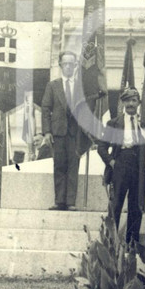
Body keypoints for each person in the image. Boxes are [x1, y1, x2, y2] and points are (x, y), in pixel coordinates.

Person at [97, 87, 145, 244]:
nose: (130, 104)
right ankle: (110, 244)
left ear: (138, 103)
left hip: (138, 166)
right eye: (127, 100)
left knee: (136, 205)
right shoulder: (114, 123)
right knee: (116, 205)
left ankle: (131, 245)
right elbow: (102, 147)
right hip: (120, 164)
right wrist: (112, 162)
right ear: (123, 102)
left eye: (134, 100)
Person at [41, 51, 87, 211]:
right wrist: (47, 132)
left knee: (73, 167)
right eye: (65, 64)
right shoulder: (53, 86)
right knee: (59, 165)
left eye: (71, 64)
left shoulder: (81, 87)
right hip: (58, 133)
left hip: (75, 133)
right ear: (60, 66)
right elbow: (46, 109)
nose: (68, 67)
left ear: (75, 66)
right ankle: (59, 201)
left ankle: (70, 202)